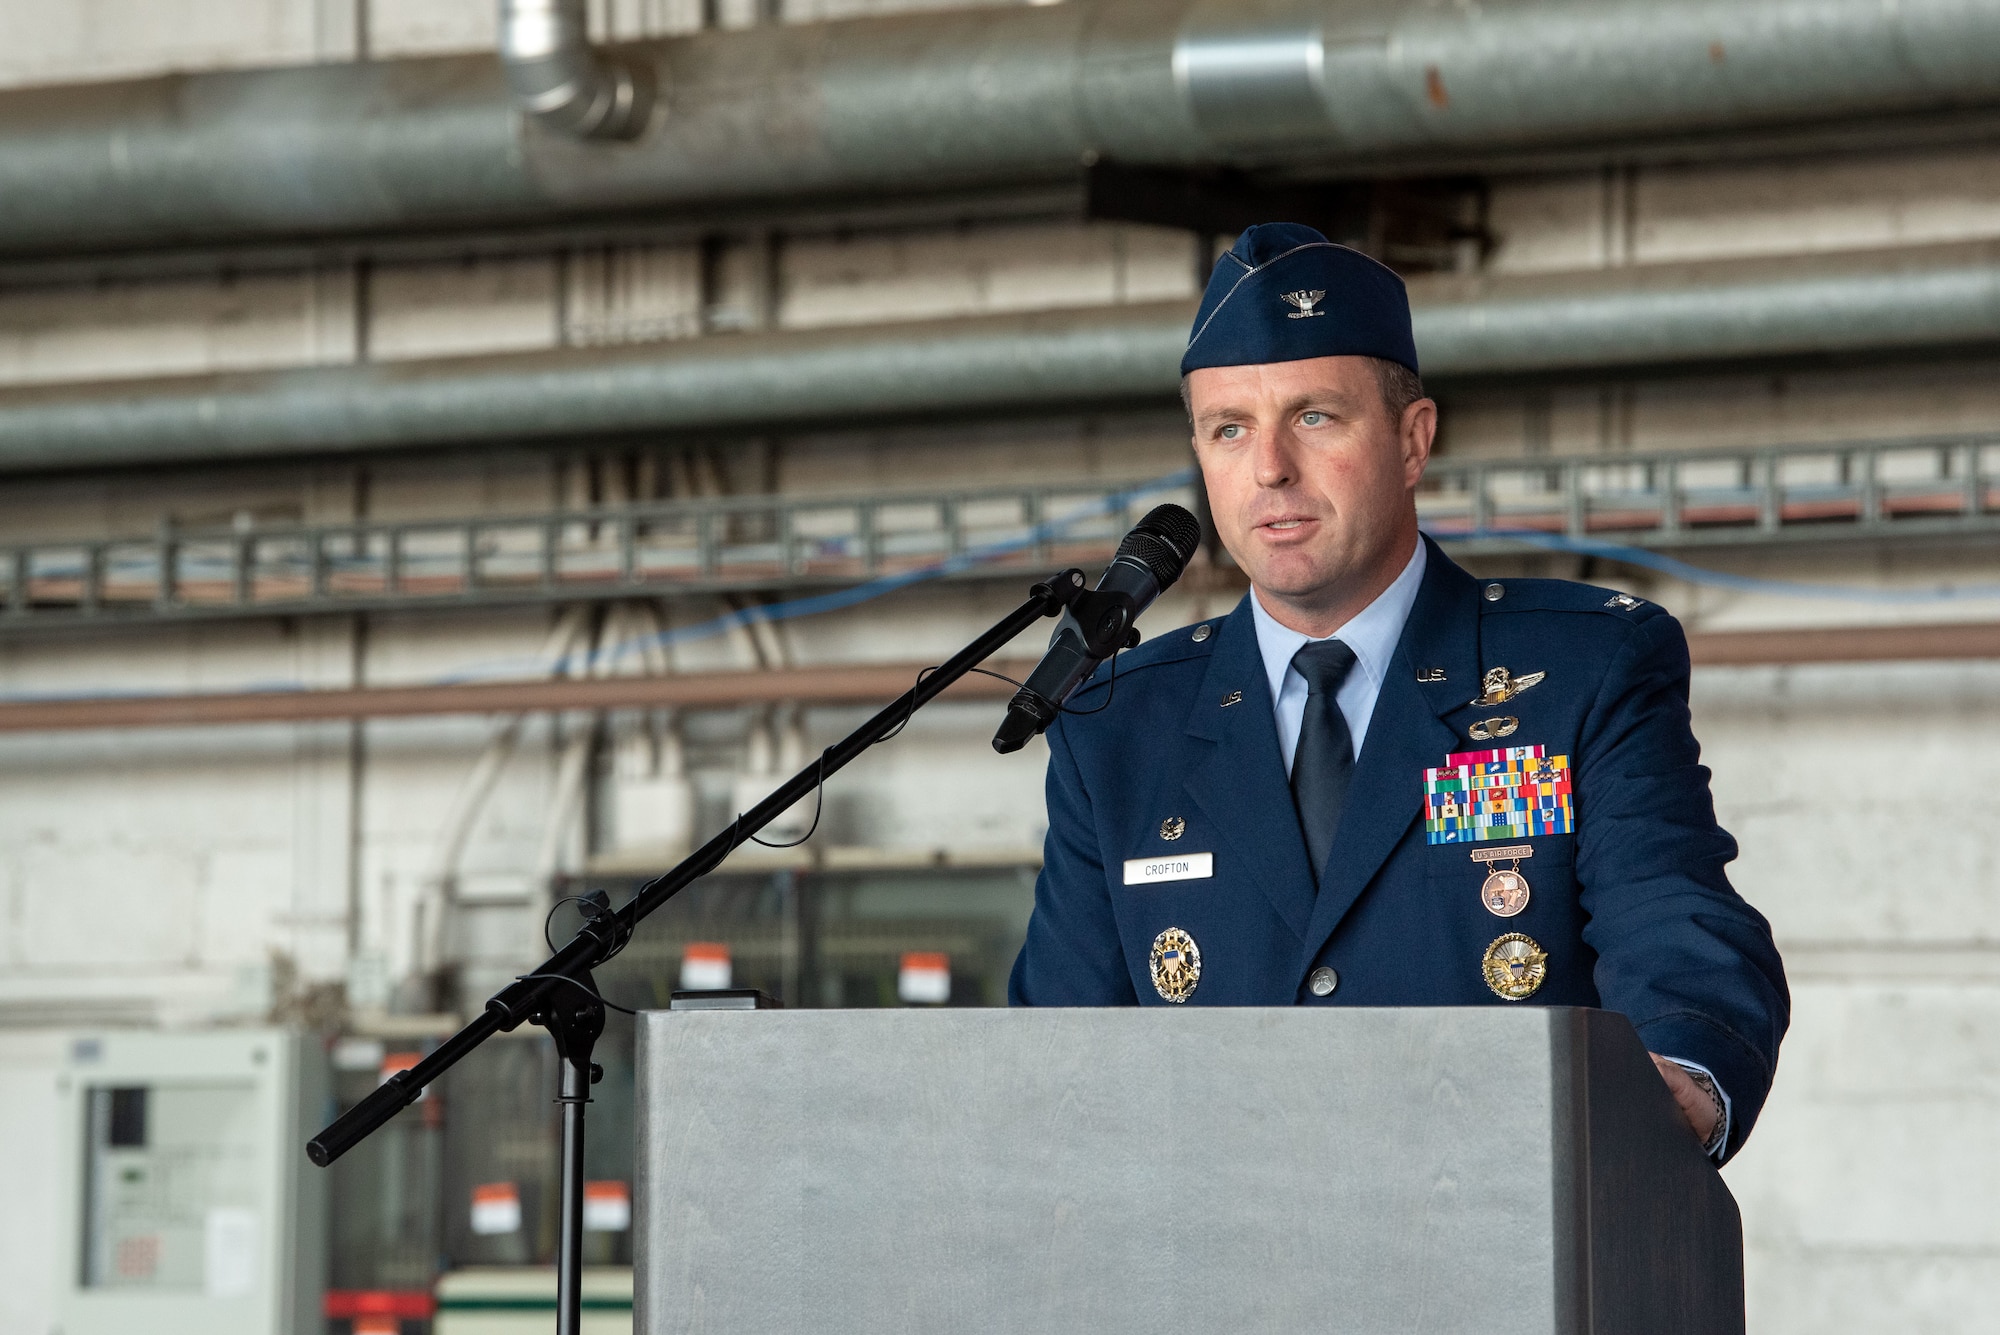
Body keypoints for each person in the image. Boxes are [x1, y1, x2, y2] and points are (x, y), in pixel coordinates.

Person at [1007, 222, 1789, 1162]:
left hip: (1503, 1236)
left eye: (1315, 417)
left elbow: (1674, 923)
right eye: (1230, 429)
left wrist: (1678, 1083)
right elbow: (1054, 1058)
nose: (1269, 468)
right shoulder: (1118, 725)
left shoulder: (1583, 669)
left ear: (1414, 440)